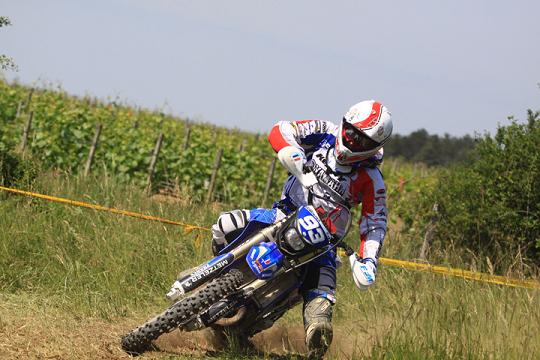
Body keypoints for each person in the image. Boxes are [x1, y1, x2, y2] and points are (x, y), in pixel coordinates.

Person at [211, 100, 392, 358]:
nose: (352, 141)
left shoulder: (372, 179)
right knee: (224, 225)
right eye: (351, 131)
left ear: (374, 146)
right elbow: (283, 128)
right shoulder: (325, 132)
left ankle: (313, 334)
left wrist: (369, 261)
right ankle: (215, 281)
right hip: (282, 214)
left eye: (362, 141)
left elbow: (375, 222)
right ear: (345, 122)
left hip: (323, 245)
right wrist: (290, 149)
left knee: (322, 305)